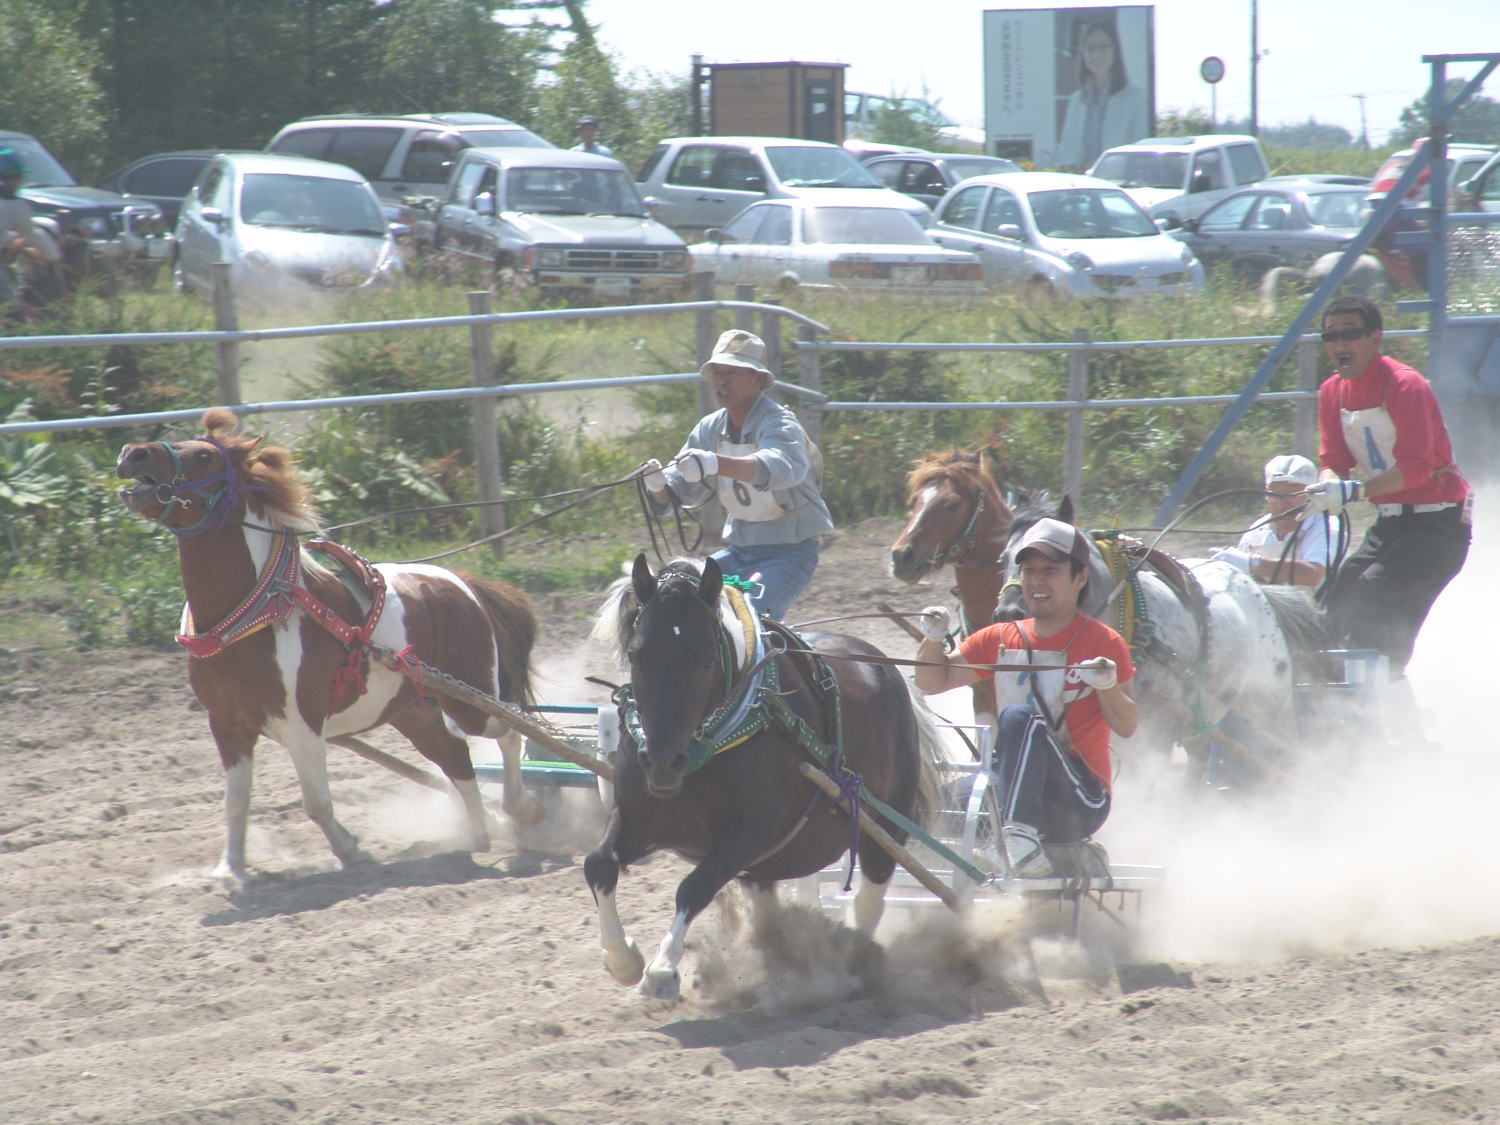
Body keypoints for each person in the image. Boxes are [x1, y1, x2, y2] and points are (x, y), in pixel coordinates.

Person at [913, 518, 1136, 877]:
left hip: (1079, 798)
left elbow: (1126, 725)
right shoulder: (999, 637)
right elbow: (931, 682)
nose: (1037, 581)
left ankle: (1020, 841)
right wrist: (934, 638)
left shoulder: (1103, 642)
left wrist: (1108, 685)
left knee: (1017, 718)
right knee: (934, 804)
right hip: (1012, 783)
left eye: (1051, 571)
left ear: (1080, 579)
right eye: (1030, 571)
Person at [1303, 295, 1472, 680]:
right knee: (1336, 597)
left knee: (1372, 598)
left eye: (1350, 335)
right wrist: (1326, 487)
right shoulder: (1332, 391)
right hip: (1391, 523)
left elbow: (1416, 468)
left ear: (1375, 340)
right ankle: (1334, 699)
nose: (1339, 344)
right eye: (1330, 337)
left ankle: (1380, 714)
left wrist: (1354, 491)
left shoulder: (1405, 386)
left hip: (1438, 526)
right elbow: (1332, 460)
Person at [641, 329, 833, 621]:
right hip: (739, 552)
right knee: (672, 597)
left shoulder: (780, 423)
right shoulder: (709, 428)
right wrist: (658, 484)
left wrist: (715, 463)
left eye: (732, 372)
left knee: (749, 620)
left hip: (789, 554)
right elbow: (681, 488)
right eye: (718, 373)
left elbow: (782, 467)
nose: (721, 381)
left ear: (757, 379)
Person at [1211, 455, 1341, 588]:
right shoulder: (1257, 531)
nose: (1281, 503)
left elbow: (1313, 576)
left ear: (1312, 496)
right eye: (1274, 494)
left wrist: (1250, 562)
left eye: (1292, 493)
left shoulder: (1328, 527)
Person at [1053, 20, 1149, 172]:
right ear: (1082, 54)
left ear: (1115, 50)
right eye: (1090, 48)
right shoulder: (1077, 100)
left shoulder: (1134, 97)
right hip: (1080, 184)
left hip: (1116, 183)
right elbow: (1067, 149)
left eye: (1104, 46)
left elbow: (1138, 151)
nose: (1096, 54)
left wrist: (1100, 166)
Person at [0, 146, 61, 317]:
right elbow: (31, 236)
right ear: (13, 178)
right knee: (12, 308)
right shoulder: (13, 204)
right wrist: (53, 255)